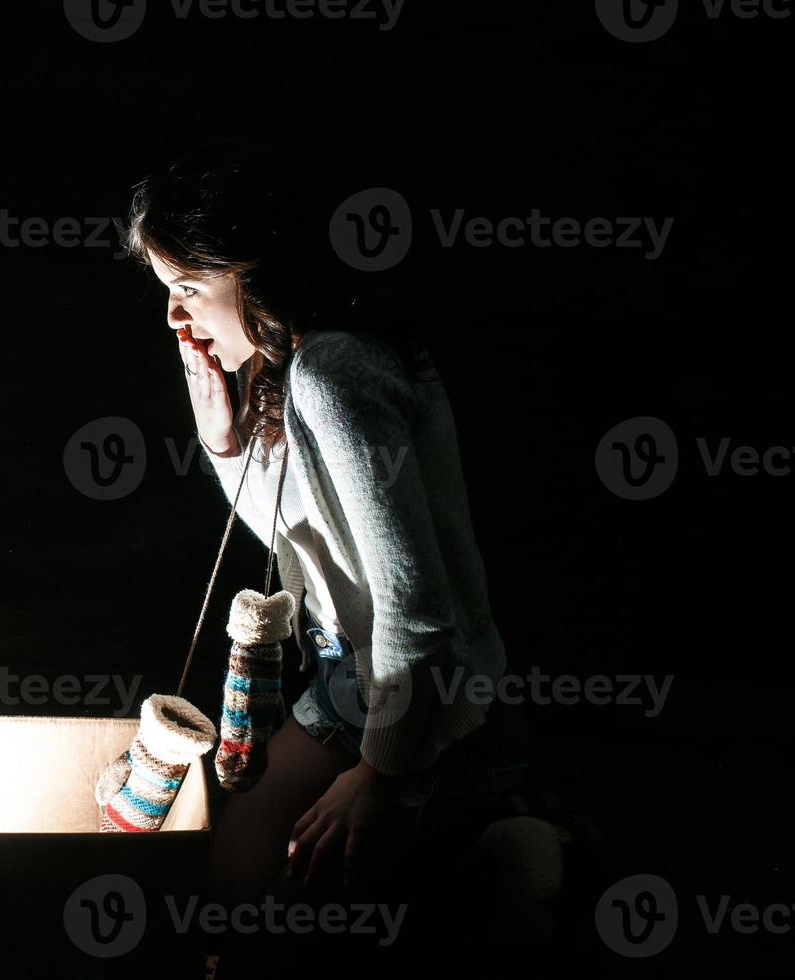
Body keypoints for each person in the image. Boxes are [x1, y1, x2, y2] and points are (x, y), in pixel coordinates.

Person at [126, 146, 528, 966]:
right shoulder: (295, 365)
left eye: (189, 289)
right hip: (353, 682)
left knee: (288, 916)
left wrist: (381, 779)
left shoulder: (335, 373)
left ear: (252, 272)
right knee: (235, 866)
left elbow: (418, 612)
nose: (176, 316)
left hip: (431, 698)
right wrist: (219, 429)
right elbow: (292, 532)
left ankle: (513, 849)